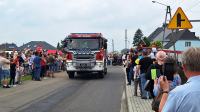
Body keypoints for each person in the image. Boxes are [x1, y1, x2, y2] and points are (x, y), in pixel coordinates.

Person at [159, 47, 200, 112]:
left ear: (184, 67)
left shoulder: (178, 93)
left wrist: (165, 90)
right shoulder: (178, 77)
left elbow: (155, 90)